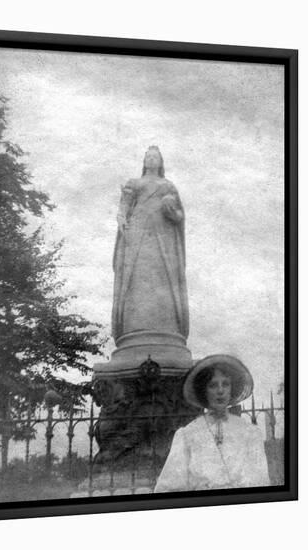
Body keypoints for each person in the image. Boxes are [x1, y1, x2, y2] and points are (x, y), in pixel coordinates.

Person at [154, 355, 271, 492]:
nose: (220, 391)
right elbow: (169, 487)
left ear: (232, 389)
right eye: (213, 385)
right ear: (203, 391)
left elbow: (260, 482)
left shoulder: (250, 433)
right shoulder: (187, 435)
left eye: (225, 384)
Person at [111, 146, 189, 342]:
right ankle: (134, 327)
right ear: (144, 161)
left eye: (156, 157)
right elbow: (124, 206)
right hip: (137, 236)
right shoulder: (134, 183)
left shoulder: (168, 186)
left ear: (161, 162)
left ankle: (166, 326)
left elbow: (179, 216)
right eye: (148, 156)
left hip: (163, 238)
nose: (152, 159)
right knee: (137, 277)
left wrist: (171, 209)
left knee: (163, 280)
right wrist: (121, 217)